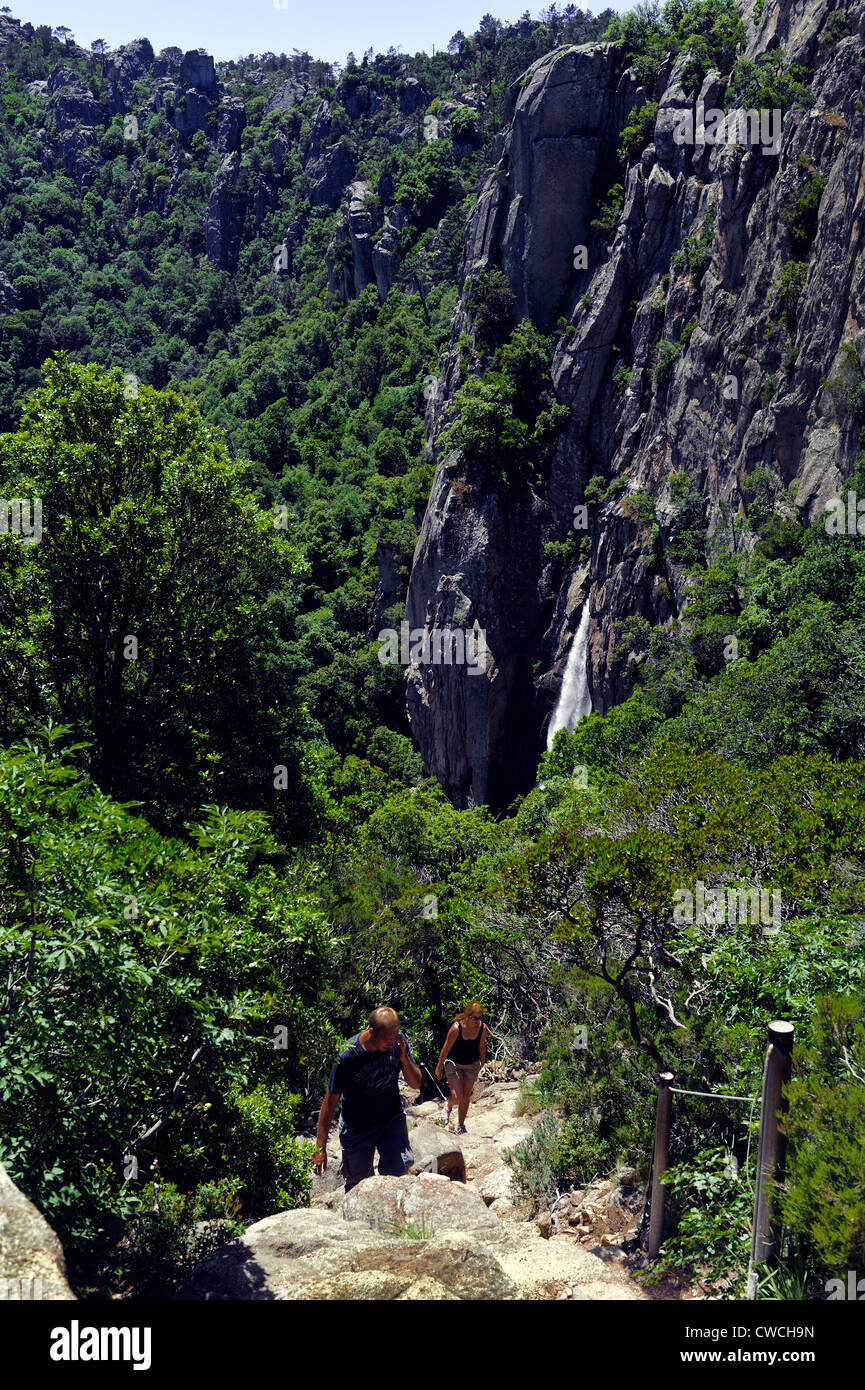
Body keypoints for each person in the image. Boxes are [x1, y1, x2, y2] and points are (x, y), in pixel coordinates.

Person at [313, 1006, 422, 1192]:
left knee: (397, 1178)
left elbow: (415, 1083)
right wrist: (320, 1147)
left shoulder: (398, 1042)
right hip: (357, 1126)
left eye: (394, 1036)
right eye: (387, 1038)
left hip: (391, 1120)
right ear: (371, 1031)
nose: (391, 1042)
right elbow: (330, 1102)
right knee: (358, 1185)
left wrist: (404, 1058)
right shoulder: (348, 1056)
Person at [435, 1002, 487, 1133]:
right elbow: (446, 1048)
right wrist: (439, 1066)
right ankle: (448, 1106)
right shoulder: (456, 1028)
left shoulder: (482, 1028)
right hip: (454, 1063)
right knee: (457, 1096)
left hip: (472, 1064)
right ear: (467, 1016)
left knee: (465, 1095)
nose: (477, 1021)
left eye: (480, 1017)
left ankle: (460, 1125)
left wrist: (482, 1060)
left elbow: (481, 1045)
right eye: (474, 1017)